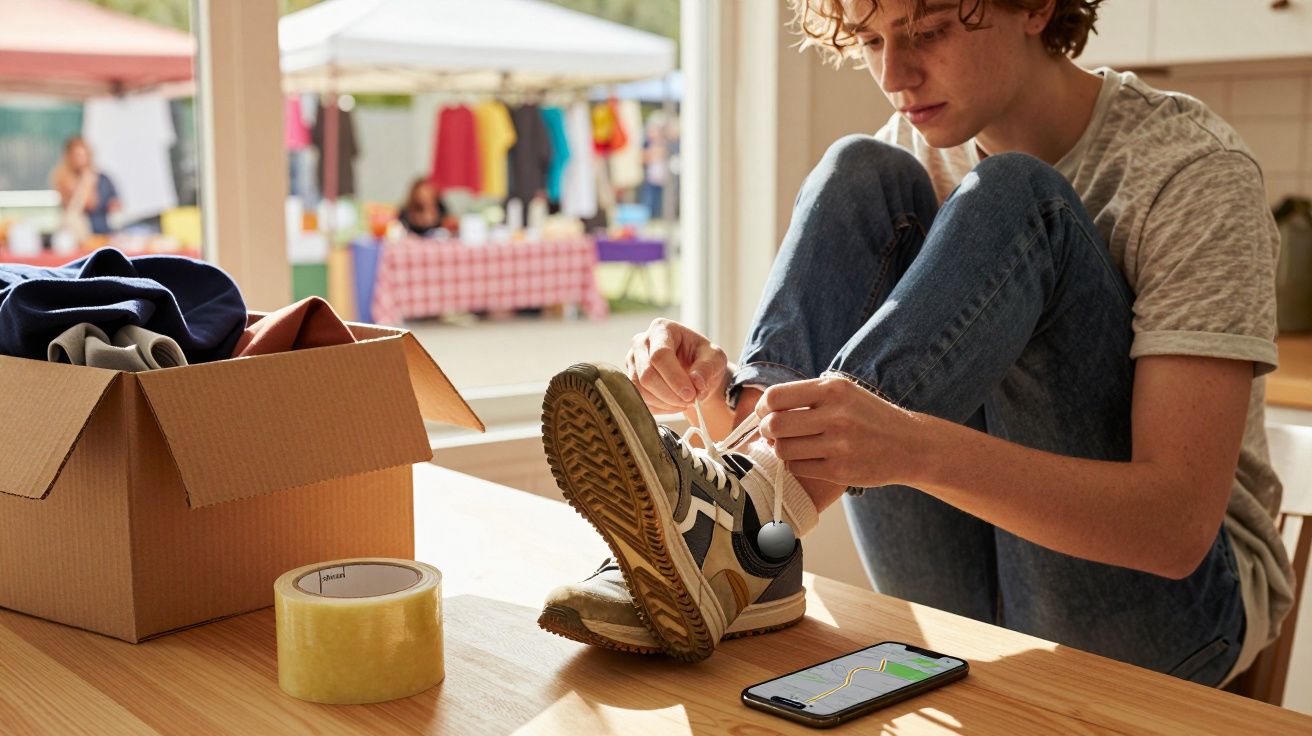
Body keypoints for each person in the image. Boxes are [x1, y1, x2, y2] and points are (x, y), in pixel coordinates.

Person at [535, 0, 1295, 689]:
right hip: (967, 609)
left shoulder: (1189, 171)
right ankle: (740, 498)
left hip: (1171, 621)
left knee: (1017, 197)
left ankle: (743, 516)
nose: (894, 75)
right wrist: (716, 396)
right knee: (857, 169)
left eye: (927, 30)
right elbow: (851, 417)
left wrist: (914, 449)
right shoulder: (907, 154)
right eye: (871, 39)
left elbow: (1173, 534)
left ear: (1034, 6)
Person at [50, 136, 120, 237]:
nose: (82, 160)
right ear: (69, 157)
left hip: (103, 231)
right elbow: (86, 205)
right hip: (78, 232)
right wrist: (86, 182)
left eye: (84, 155)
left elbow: (114, 204)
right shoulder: (64, 178)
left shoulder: (103, 179)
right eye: (78, 155)